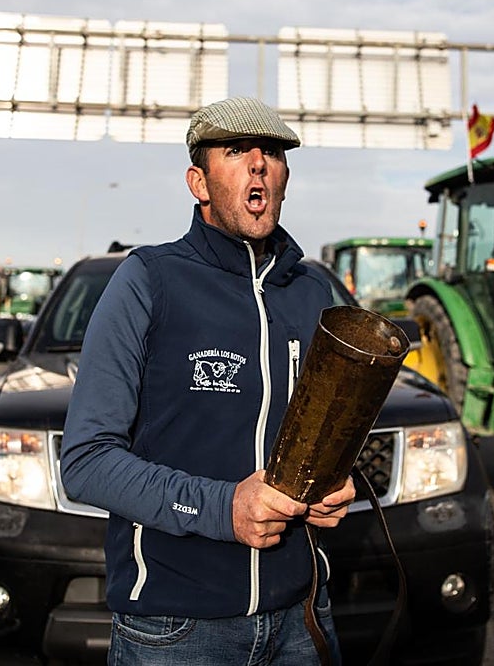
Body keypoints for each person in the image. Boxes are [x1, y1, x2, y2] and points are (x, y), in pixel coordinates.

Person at [61, 95, 356, 665]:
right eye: (237, 150)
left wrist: (329, 485)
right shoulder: (148, 281)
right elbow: (86, 460)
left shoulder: (313, 293)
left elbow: (322, 433)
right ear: (198, 181)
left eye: (272, 151)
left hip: (301, 617)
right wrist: (223, 509)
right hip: (177, 630)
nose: (259, 163)